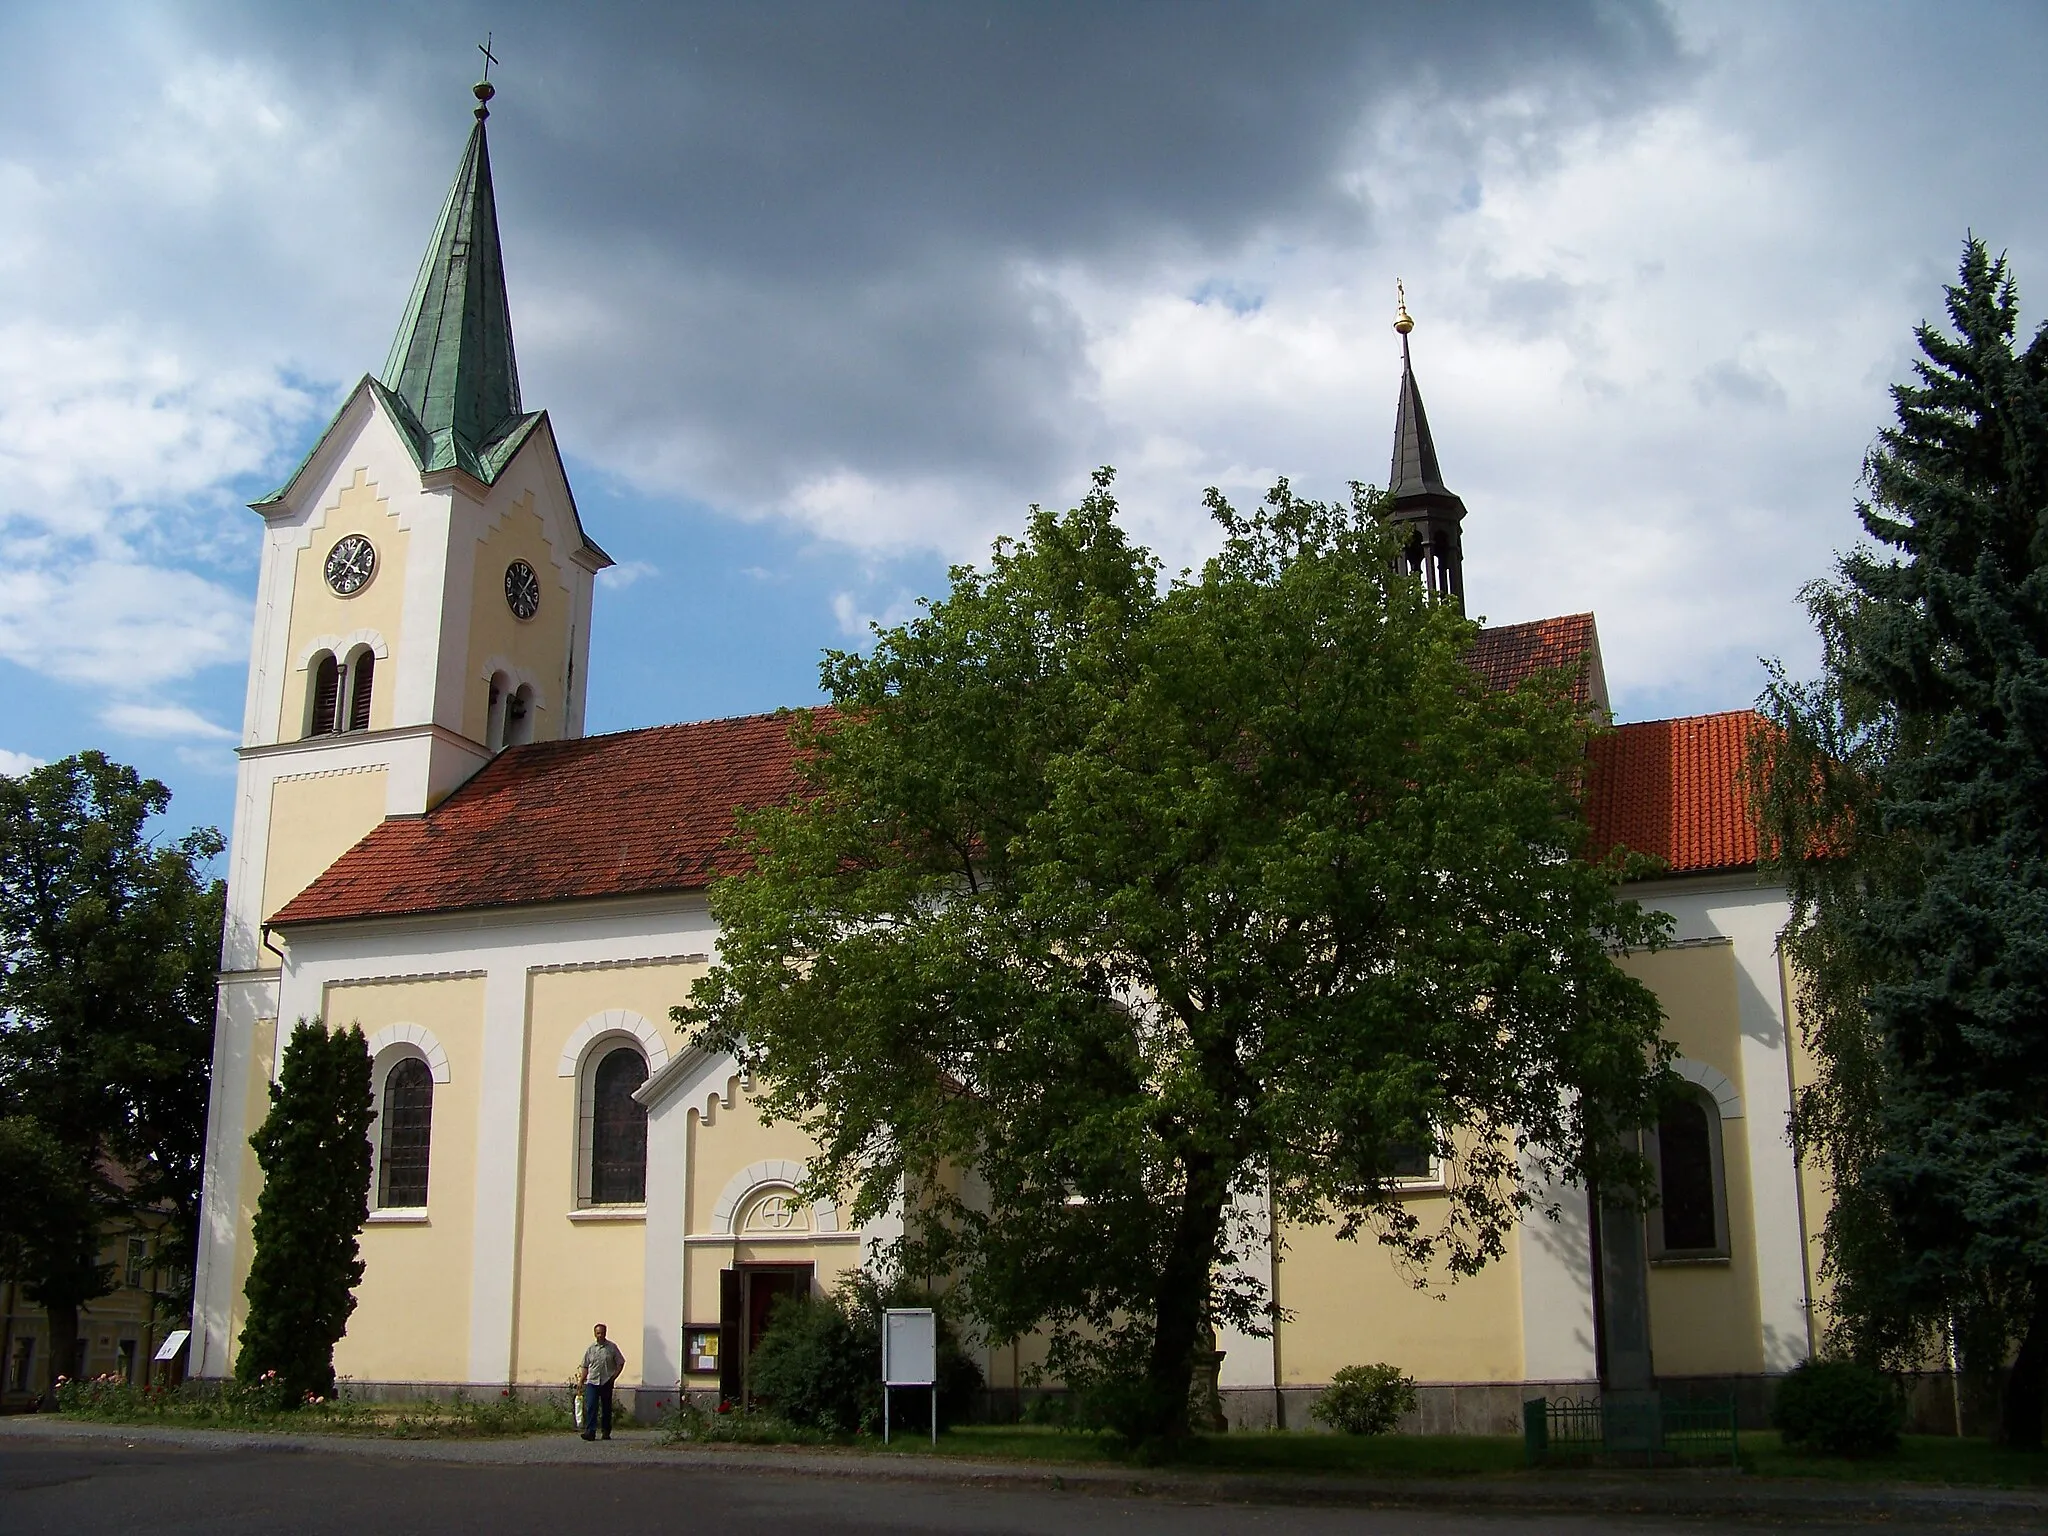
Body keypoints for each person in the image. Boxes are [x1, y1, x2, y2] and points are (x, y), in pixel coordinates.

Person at [577, 1323, 625, 1441]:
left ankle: (606, 1431)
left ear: (606, 1333)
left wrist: (613, 1377)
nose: (600, 1335)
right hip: (592, 1382)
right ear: (594, 1334)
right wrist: (581, 1381)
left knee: (606, 1408)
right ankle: (590, 1432)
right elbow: (585, 1366)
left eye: (602, 1333)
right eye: (598, 1333)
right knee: (591, 1406)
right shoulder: (590, 1349)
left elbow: (620, 1362)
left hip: (606, 1381)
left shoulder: (612, 1347)